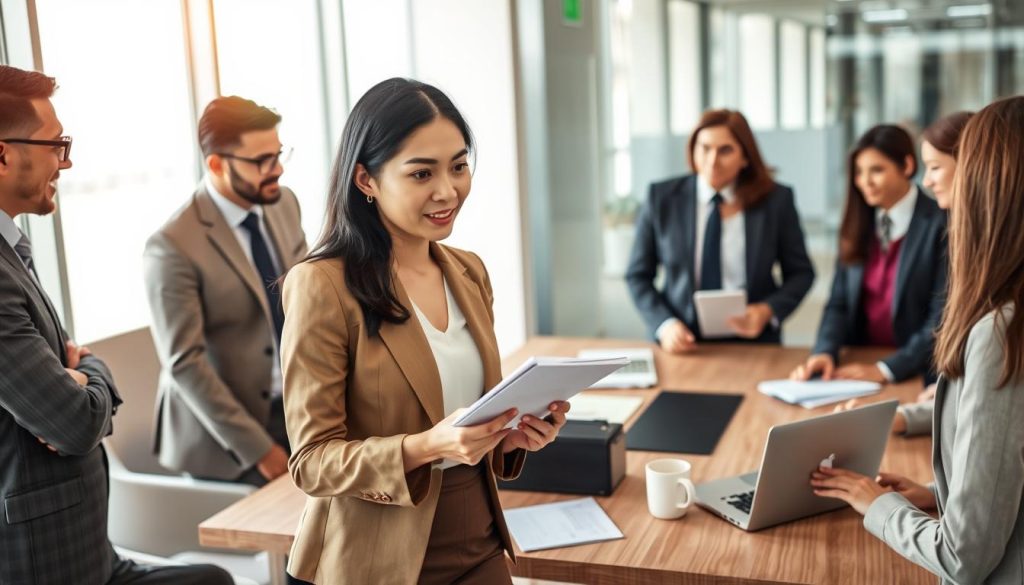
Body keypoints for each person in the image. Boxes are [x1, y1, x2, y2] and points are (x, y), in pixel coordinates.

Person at [280, 78, 570, 584]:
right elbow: (311, 462)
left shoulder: (469, 271)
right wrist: (429, 446)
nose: (448, 190)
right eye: (421, 173)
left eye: (459, 166)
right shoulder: (322, 286)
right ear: (366, 180)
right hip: (376, 559)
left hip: (479, 541)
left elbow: (471, 418)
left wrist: (518, 433)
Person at [0, 65, 231, 585]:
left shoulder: (11, 253)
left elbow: (74, 377)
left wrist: (85, 374)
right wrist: (85, 378)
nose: (67, 160)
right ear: (3, 153)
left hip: (92, 554)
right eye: (55, 144)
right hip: (47, 567)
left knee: (211, 580)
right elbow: (73, 421)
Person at [810, 96, 1024, 585]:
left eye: (952, 168)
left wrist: (876, 503)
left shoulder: (1000, 331)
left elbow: (962, 559)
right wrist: (936, 492)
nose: (937, 184)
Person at [144, 96, 307, 485]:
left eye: (279, 153)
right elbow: (185, 364)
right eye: (262, 161)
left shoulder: (283, 204)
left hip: (295, 409)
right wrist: (261, 452)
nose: (278, 169)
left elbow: (308, 296)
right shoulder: (172, 245)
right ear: (216, 164)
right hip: (224, 440)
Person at [626, 109, 815, 352]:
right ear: (693, 151)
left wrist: (767, 310)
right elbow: (637, 275)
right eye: (704, 148)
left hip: (753, 339)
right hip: (681, 338)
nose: (712, 160)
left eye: (725, 150)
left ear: (745, 157)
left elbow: (801, 273)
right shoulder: (661, 198)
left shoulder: (776, 201)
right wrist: (665, 324)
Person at [791, 125, 946, 384]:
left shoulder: (942, 224)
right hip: (858, 365)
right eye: (859, 172)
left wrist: (887, 369)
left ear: (907, 166)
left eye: (877, 170)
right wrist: (824, 351)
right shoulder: (857, 225)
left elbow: (941, 318)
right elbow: (838, 303)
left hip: (916, 372)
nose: (865, 182)